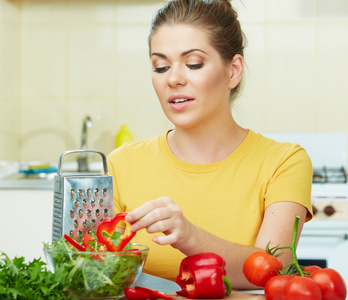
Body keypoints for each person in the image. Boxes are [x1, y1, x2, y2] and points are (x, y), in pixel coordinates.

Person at [107, 0, 313, 289]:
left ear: (233, 71)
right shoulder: (121, 163)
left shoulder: (283, 161)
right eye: (161, 66)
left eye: (193, 64)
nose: (174, 79)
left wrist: (190, 237)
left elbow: (273, 272)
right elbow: (97, 274)